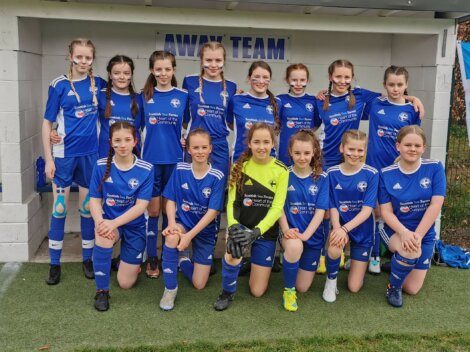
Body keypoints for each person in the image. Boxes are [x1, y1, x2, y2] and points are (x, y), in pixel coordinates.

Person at [42, 38, 106, 285]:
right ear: (70, 56)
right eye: (78, 57)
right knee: (59, 207)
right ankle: (54, 264)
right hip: (64, 154)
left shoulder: (98, 84)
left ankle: (87, 259)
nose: (83, 62)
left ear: (92, 59)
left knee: (87, 209)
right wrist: (48, 158)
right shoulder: (58, 85)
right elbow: (47, 122)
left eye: (87, 58)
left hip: (90, 156)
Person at [213, 122, 289, 311]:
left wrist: (256, 233)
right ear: (249, 143)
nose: (261, 147)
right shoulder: (239, 167)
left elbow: (277, 208)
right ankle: (227, 292)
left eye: (266, 142)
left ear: (273, 144)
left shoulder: (281, 170)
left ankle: (255, 261)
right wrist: (233, 227)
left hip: (263, 233)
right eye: (257, 142)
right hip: (241, 228)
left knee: (257, 291)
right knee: (233, 250)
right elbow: (232, 203)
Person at [88, 121, 154, 311]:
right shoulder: (101, 166)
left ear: (135, 141)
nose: (122, 144)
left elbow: (141, 206)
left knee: (125, 283)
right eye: (118, 140)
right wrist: (101, 222)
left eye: (127, 140)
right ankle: (101, 291)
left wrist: (113, 222)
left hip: (135, 226)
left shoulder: (146, 168)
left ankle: (125, 261)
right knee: (102, 234)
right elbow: (94, 200)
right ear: (111, 142)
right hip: (110, 224)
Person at [379, 125, 445, 307]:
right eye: (408, 145)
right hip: (394, 230)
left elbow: (435, 205)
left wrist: (418, 235)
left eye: (417, 146)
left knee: (412, 288)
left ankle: (398, 264)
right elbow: (386, 212)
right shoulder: (386, 174)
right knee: (409, 251)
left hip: (424, 233)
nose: (413, 149)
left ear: (423, 148)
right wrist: (404, 233)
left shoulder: (435, 168)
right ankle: (393, 286)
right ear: (398, 146)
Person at [159, 129, 225, 311]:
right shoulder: (180, 169)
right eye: (195, 147)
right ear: (188, 149)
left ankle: (183, 261)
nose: (200, 151)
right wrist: (172, 224)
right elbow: (170, 199)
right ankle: (170, 289)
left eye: (204, 147)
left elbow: (212, 212)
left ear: (210, 149)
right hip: (183, 224)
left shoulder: (217, 176)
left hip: (205, 231)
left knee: (199, 284)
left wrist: (189, 237)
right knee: (172, 237)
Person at [364, 66, 421, 274]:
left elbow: (414, 138)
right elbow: (350, 91)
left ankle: (390, 253)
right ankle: (373, 256)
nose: (395, 89)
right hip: (374, 168)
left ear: (406, 85)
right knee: (375, 211)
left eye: (399, 85)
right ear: (384, 85)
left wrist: (413, 99)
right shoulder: (375, 103)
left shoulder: (411, 110)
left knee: (393, 212)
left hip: (398, 170)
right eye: (391, 84)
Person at [141, 50, 189, 279]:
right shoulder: (143, 96)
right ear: (152, 70)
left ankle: (170, 255)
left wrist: (186, 137)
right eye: (158, 69)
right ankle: (151, 257)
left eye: (167, 69)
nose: (163, 73)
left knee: (172, 213)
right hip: (150, 162)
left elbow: (192, 125)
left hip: (175, 163)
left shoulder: (183, 96)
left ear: (173, 70)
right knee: (152, 211)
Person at [323, 130, 379, 303]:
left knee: (354, 287)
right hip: (340, 225)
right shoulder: (331, 173)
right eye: (351, 149)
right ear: (342, 148)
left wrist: (345, 228)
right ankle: (331, 281)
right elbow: (332, 205)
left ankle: (355, 261)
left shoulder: (372, 173)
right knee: (334, 247)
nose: (355, 154)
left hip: (363, 229)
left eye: (360, 150)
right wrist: (338, 228)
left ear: (365, 151)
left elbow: (367, 210)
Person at [279, 130, 328, 311]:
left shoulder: (322, 177)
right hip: (290, 234)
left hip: (312, 237)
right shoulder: (284, 174)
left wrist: (306, 235)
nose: (302, 157)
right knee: (294, 247)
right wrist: (285, 230)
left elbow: (321, 211)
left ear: (314, 151)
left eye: (306, 153)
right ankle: (288, 291)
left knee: (304, 287)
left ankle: (292, 262)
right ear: (290, 152)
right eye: (297, 153)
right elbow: (280, 208)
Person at [183, 41, 237, 178]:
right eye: (208, 60)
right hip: (195, 145)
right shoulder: (189, 81)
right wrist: (184, 136)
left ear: (224, 61)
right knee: (191, 188)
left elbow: (231, 122)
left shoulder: (231, 87)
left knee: (218, 189)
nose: (213, 65)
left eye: (218, 60)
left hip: (219, 146)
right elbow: (183, 117)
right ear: (201, 61)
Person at [228, 61, 282, 162]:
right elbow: (231, 124)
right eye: (256, 76)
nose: (261, 81)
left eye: (265, 77)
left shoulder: (278, 103)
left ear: (270, 79)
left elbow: (277, 130)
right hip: (240, 161)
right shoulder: (236, 99)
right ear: (249, 78)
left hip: (268, 162)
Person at [97, 55, 143, 158]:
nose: (122, 77)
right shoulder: (100, 96)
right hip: (105, 153)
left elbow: (147, 128)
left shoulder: (140, 98)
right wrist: (55, 130)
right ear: (110, 75)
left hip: (132, 154)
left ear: (131, 75)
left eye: (126, 73)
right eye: (116, 73)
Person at [277, 64, 317, 166]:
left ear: (307, 80)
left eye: (302, 80)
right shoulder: (280, 100)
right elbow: (275, 127)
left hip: (306, 155)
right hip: (285, 154)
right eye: (294, 80)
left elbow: (315, 125)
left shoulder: (314, 101)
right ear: (287, 80)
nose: (298, 84)